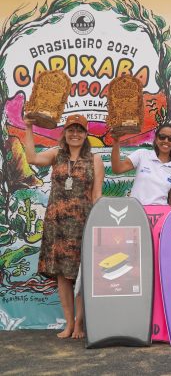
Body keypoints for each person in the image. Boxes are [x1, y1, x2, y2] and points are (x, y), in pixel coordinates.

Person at [24, 114, 104, 339]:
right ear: (65, 133)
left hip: (82, 223)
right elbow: (31, 158)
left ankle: (80, 324)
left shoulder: (95, 160)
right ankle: (68, 324)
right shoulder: (56, 154)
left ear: (86, 134)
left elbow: (97, 195)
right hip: (57, 223)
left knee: (80, 275)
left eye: (80, 130)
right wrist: (28, 127)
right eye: (71, 130)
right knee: (62, 276)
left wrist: (99, 221)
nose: (75, 134)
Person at [111, 122, 171, 208]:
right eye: (162, 137)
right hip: (136, 211)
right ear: (156, 138)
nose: (166, 141)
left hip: (159, 214)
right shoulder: (142, 154)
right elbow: (117, 169)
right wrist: (116, 142)